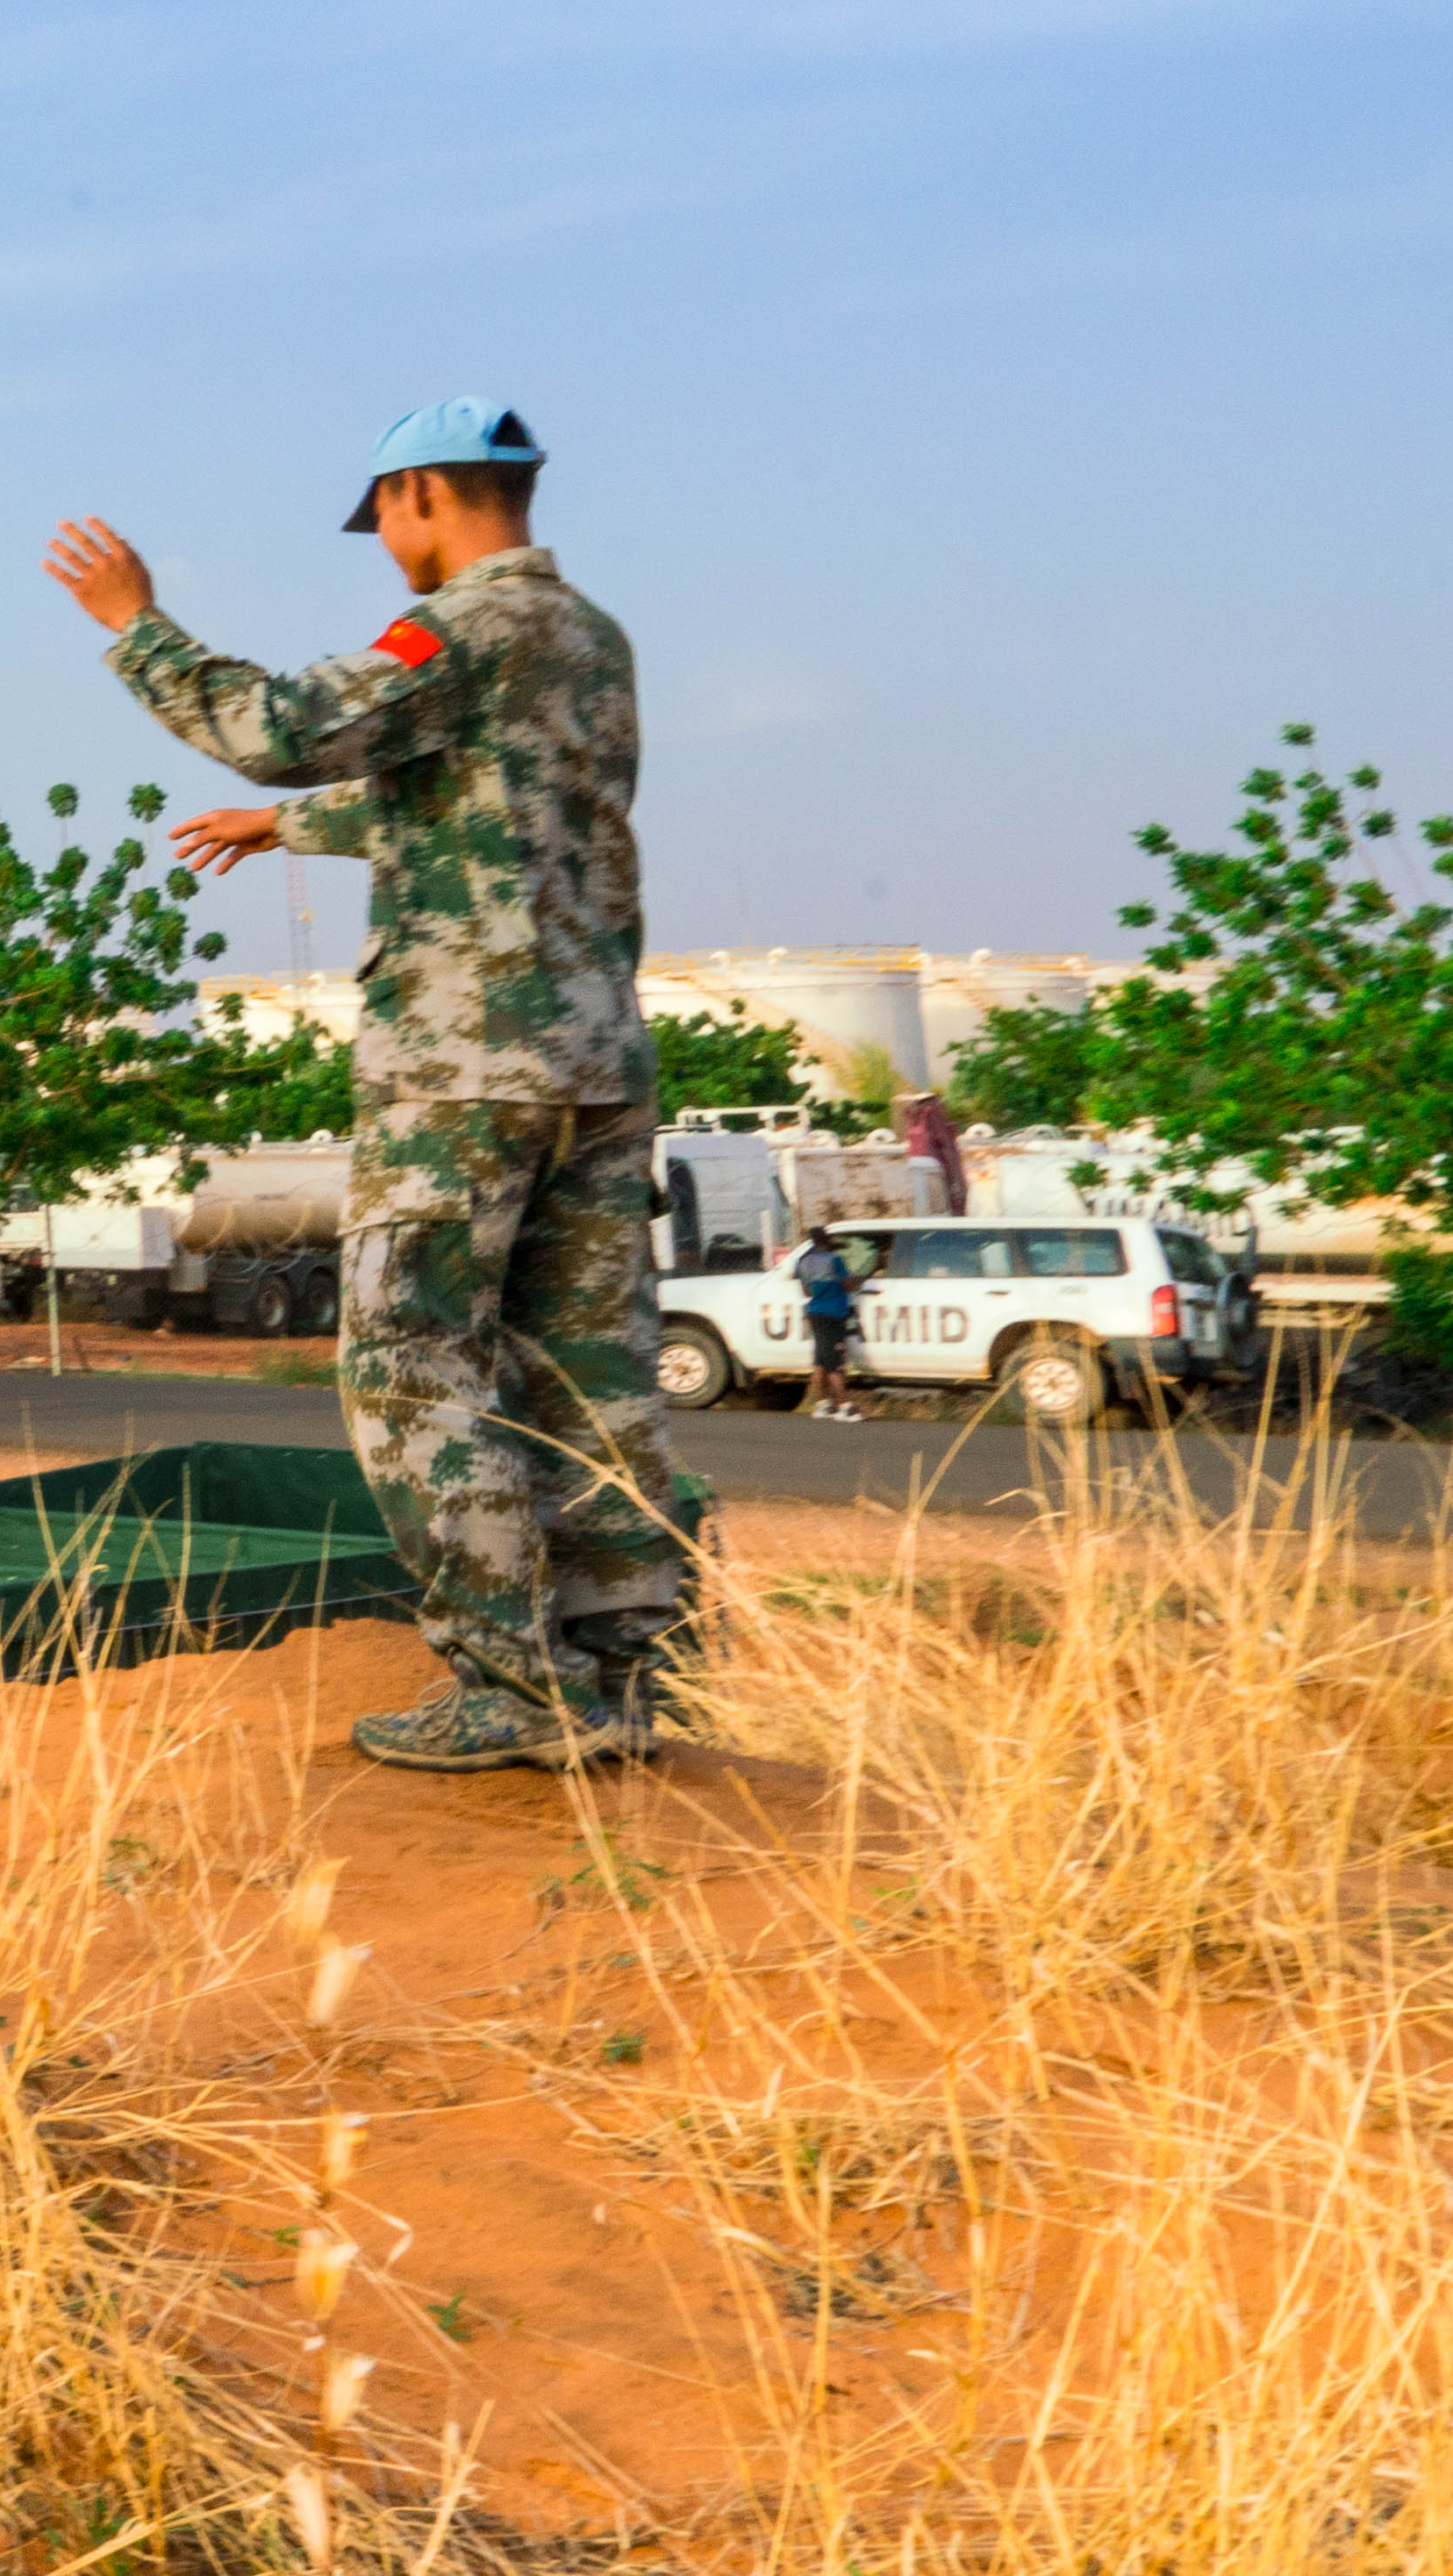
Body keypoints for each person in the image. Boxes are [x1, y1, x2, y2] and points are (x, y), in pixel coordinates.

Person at [42, 401, 705, 1771]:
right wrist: (281, 827)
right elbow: (469, 798)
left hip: (466, 1063)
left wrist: (135, 624)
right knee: (589, 1374)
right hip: (595, 1053)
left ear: (420, 496)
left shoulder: (461, 630)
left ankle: (512, 1689)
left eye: (388, 523)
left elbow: (282, 724)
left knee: (409, 1357)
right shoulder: (590, 639)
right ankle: (621, 1678)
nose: (388, 553)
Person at [793, 1225, 870, 1418]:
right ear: (827, 1241)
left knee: (821, 1362)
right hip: (833, 1314)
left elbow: (806, 1292)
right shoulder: (835, 1260)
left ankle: (823, 1405)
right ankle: (845, 1407)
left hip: (815, 1314)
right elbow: (848, 1285)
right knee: (835, 1364)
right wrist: (860, 1279)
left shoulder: (803, 1262)